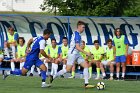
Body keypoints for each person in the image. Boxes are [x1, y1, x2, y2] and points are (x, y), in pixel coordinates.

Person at [49, 21, 94, 88]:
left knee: (86, 65)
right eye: (83, 27)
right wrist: (87, 53)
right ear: (78, 27)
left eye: (84, 27)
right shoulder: (77, 35)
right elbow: (78, 47)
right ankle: (53, 76)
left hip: (77, 53)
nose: (84, 29)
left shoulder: (77, 34)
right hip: (72, 54)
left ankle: (86, 84)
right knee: (67, 69)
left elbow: (77, 47)